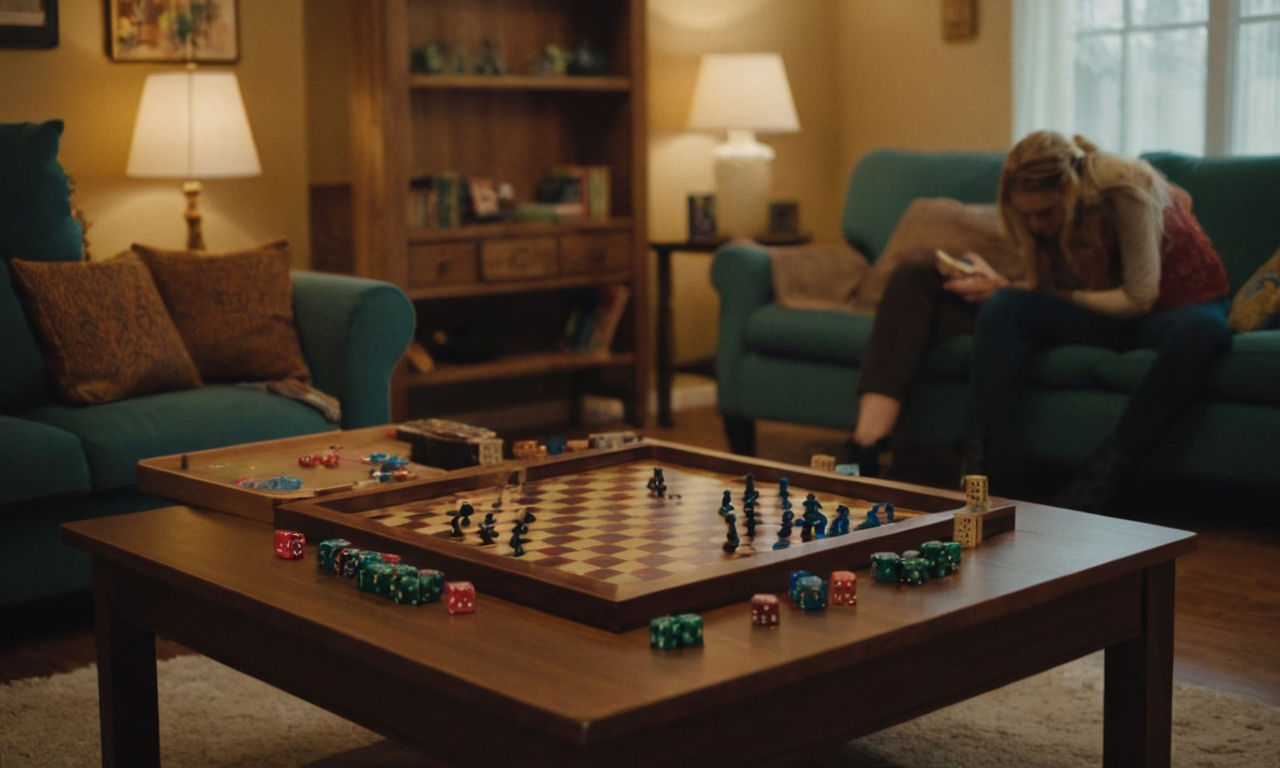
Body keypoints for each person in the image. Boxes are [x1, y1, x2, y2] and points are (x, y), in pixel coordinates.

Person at [850, 131, 1231, 511]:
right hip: (1102, 312)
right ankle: (975, 465)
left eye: (1045, 213)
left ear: (1072, 190)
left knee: (1206, 332)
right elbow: (1045, 289)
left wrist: (1048, 296)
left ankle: (1105, 473)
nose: (1034, 225)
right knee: (1003, 305)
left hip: (1171, 309)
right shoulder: (1042, 225)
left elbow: (1139, 298)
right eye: (1025, 215)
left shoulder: (1124, 189)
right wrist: (1008, 287)